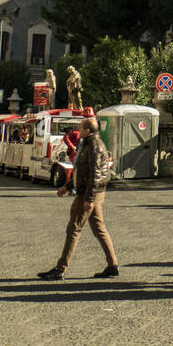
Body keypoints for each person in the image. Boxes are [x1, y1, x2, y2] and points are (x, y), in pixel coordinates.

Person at [38, 117, 119, 280]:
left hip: (88, 193)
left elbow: (94, 175)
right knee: (98, 228)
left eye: (81, 128)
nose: (78, 131)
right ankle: (112, 265)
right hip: (92, 191)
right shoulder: (90, 144)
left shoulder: (94, 146)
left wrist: (88, 199)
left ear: (88, 130)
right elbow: (82, 172)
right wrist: (67, 186)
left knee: (74, 228)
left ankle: (61, 268)